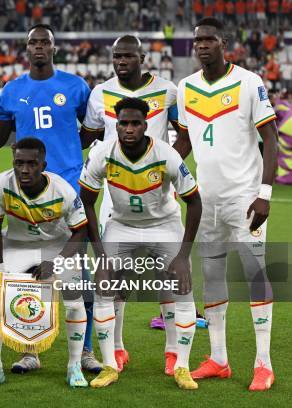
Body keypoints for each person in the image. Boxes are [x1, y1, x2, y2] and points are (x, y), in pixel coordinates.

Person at [174, 18, 278, 391]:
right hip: (206, 201)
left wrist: (264, 194)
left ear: (224, 42)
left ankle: (263, 364)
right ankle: (219, 359)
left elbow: (272, 138)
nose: (202, 45)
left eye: (209, 39)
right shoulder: (186, 88)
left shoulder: (249, 82)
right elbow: (184, 142)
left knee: (254, 274)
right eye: (197, 39)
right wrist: (165, 170)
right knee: (213, 277)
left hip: (244, 198)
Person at [0, 23, 100, 374]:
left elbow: (89, 131)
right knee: (27, 275)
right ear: (26, 49)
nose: (38, 47)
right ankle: (30, 350)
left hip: (67, 188)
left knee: (77, 275)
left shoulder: (76, 87)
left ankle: (85, 351)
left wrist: (65, 158)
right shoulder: (11, 91)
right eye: (32, 42)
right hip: (25, 193)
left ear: (54, 49)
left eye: (45, 43)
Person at [80, 98, 202, 390]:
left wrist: (183, 256)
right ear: (116, 124)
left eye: (136, 123)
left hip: (164, 225)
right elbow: (86, 202)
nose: (129, 129)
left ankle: (181, 365)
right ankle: (110, 364)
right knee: (105, 286)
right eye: (124, 123)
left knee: (182, 286)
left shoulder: (166, 154)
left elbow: (194, 203)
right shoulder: (102, 153)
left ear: (146, 125)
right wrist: (101, 257)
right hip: (122, 226)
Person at [80, 35, 182, 371]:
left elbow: (184, 132)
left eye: (128, 56)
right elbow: (92, 136)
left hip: (157, 194)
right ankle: (118, 349)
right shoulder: (100, 94)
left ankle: (172, 352)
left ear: (142, 57)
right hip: (115, 194)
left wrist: (172, 171)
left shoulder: (167, 90)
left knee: (168, 276)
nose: (121, 61)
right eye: (116, 56)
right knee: (114, 276)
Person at [0, 137, 89, 387]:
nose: (24, 169)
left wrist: (58, 262)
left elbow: (80, 231)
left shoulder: (62, 189)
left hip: (57, 247)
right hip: (17, 245)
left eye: (32, 164)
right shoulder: (1, 183)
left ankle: (74, 367)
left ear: (43, 164)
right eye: (19, 163)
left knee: (75, 303)